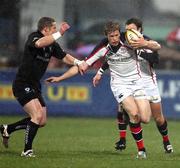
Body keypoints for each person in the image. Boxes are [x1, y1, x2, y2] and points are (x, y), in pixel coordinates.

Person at [46, 21, 157, 159]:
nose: (115, 38)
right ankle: (141, 151)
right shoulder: (102, 47)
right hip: (119, 84)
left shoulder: (129, 39)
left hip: (137, 82)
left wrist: (145, 44)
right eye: (111, 36)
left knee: (145, 118)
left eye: (116, 35)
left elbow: (157, 46)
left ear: (119, 33)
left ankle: (129, 116)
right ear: (106, 36)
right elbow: (82, 66)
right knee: (134, 114)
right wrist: (60, 78)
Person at [0, 17, 82, 157]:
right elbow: (39, 44)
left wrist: (78, 62)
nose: (55, 30)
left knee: (41, 121)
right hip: (23, 83)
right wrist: (60, 33)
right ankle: (27, 151)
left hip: (34, 85)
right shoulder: (35, 36)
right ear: (46, 29)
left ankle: (8, 129)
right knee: (36, 115)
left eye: (56, 29)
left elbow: (64, 57)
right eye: (54, 28)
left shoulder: (52, 44)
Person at [93, 17, 173, 154]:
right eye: (127, 29)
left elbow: (156, 58)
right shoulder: (123, 41)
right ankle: (126, 141)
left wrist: (141, 49)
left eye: (132, 30)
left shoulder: (145, 41)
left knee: (155, 118)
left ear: (140, 30)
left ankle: (166, 142)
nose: (128, 33)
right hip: (128, 82)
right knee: (129, 110)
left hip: (148, 82)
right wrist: (100, 71)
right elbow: (112, 58)